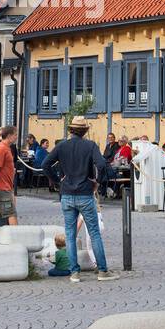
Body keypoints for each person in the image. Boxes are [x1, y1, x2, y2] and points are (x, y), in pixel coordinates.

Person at [42, 115, 116, 282]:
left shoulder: (62, 146)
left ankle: (74, 272)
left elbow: (45, 164)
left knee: (69, 234)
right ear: (85, 131)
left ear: (71, 130)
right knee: (94, 233)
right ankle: (103, 271)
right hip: (85, 193)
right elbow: (102, 165)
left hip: (67, 193)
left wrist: (57, 182)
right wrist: (97, 182)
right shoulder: (90, 146)